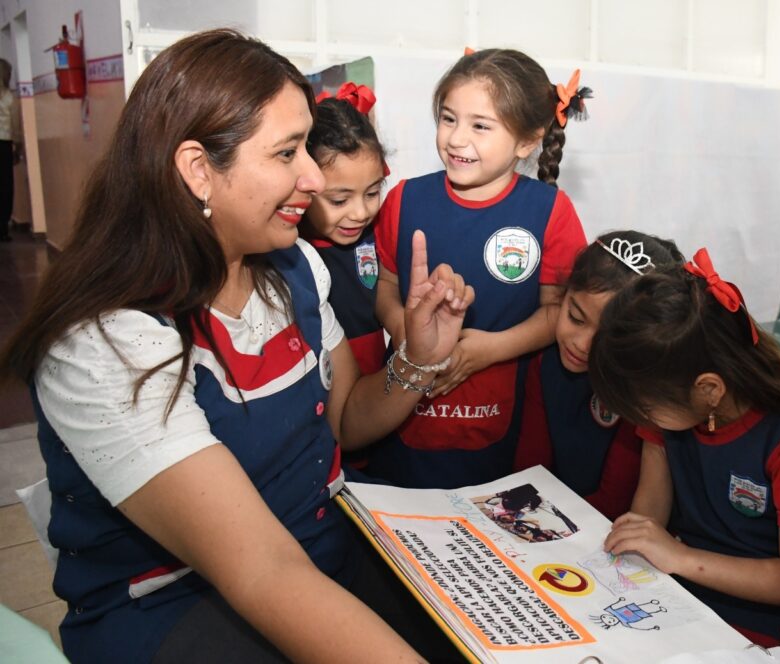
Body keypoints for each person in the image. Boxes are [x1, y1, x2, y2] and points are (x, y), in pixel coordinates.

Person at [0, 30, 474, 663]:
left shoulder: (296, 268)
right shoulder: (108, 340)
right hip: (175, 607)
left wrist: (415, 356)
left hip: (316, 551)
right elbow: (263, 572)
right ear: (199, 171)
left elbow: (345, 423)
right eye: (286, 153)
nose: (311, 174)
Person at [368, 48, 589, 489]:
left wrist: (486, 350)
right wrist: (413, 338)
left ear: (527, 141)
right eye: (448, 119)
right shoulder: (404, 200)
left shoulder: (551, 212)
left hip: (499, 425)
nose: (455, 138)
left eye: (480, 126)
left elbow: (558, 315)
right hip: (402, 408)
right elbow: (386, 289)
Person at [590, 247, 780, 647]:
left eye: (643, 406)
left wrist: (680, 558)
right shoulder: (673, 410)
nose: (639, 417)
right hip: (677, 599)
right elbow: (650, 511)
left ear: (708, 390)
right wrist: (636, 546)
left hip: (753, 626)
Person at [513, 230, 683, 520]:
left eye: (606, 336)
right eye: (576, 318)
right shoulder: (545, 362)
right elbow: (529, 470)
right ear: (562, 295)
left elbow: (615, 501)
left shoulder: (639, 391)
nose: (582, 344)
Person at [301, 83, 387, 378]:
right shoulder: (290, 252)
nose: (360, 213)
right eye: (339, 200)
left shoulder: (379, 236)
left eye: (372, 192)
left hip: (377, 383)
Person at [0, 58, 21, 242]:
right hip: (4, 145)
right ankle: (3, 228)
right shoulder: (9, 98)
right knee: (6, 187)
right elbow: (15, 125)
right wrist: (18, 147)